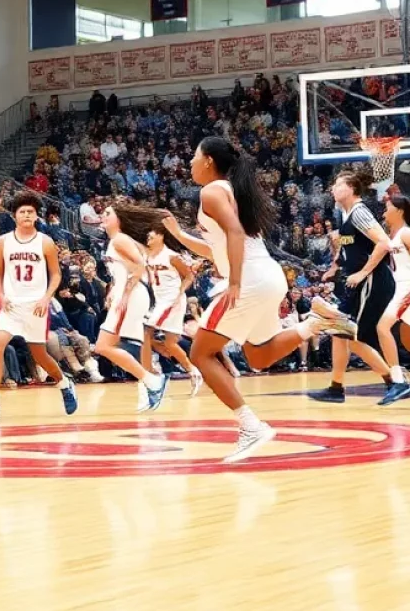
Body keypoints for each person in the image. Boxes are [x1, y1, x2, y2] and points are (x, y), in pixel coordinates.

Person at [163, 137, 349, 463]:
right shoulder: (234, 192)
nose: (190, 162)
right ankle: (317, 323)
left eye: (193, 156)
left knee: (201, 353)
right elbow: (220, 248)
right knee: (258, 356)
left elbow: (234, 234)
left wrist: (233, 280)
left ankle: (251, 426)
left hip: (249, 280)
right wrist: (179, 236)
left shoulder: (212, 191)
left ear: (208, 160)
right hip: (269, 277)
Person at [0, 191, 77, 424]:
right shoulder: (3, 242)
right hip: (11, 305)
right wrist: (1, 295)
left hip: (36, 306)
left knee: (39, 354)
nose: (27, 214)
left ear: (37, 216)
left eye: (31, 211)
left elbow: (56, 274)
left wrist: (46, 298)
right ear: (15, 216)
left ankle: (64, 383)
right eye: (23, 211)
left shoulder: (46, 242)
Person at [308, 169, 403, 405]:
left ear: (350, 189)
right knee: (340, 332)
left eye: (337, 185)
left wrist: (361, 273)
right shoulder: (345, 214)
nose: (332, 189)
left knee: (352, 335)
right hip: (358, 281)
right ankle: (336, 388)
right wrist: (335, 266)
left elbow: (383, 243)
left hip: (373, 280)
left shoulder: (359, 212)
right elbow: (352, 247)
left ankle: (394, 383)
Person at [93, 203, 168, 412]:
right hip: (132, 294)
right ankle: (147, 390)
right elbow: (129, 268)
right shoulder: (121, 240)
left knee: (103, 346)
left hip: (132, 296)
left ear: (120, 218)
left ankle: (153, 382)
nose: (103, 216)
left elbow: (139, 265)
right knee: (127, 346)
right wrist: (113, 291)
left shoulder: (120, 239)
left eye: (109, 213)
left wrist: (124, 293)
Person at [143, 222, 202, 396]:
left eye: (151, 235)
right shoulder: (148, 256)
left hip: (172, 300)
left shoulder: (171, 256)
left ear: (161, 236)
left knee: (146, 331)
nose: (148, 238)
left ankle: (149, 376)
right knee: (170, 343)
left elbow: (190, 275)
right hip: (160, 300)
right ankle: (193, 371)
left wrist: (180, 292)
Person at [379, 192, 410, 404]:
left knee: (382, 327)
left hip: (407, 288)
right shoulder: (394, 234)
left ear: (399, 210)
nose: (384, 211)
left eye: (388, 207)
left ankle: (399, 382)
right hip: (399, 287)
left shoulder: (406, 233)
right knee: (407, 340)